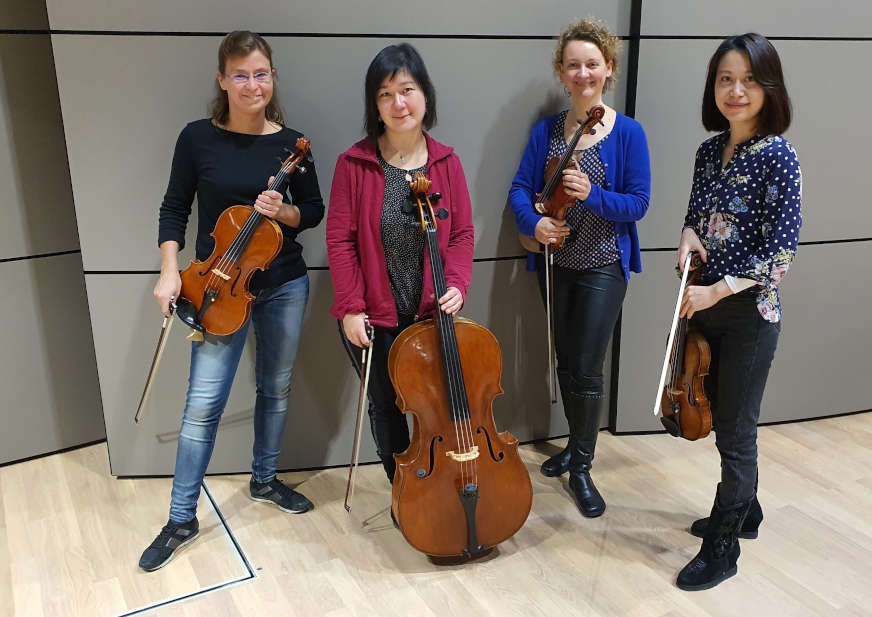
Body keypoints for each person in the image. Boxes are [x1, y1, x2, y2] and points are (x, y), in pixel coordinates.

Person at [140, 31, 325, 572]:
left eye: (261, 73)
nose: (252, 84)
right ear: (222, 80)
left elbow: (311, 212)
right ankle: (180, 517)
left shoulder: (293, 144)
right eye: (240, 74)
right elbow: (173, 208)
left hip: (284, 283)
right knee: (202, 407)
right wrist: (169, 273)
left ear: (273, 78)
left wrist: (284, 212)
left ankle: (264, 481)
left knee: (276, 387)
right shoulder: (197, 138)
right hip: (217, 288)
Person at [673, 33, 802, 590]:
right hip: (703, 303)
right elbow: (696, 215)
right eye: (726, 78)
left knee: (735, 430)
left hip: (749, 312)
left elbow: (780, 252)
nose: (736, 89)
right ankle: (745, 510)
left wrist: (716, 292)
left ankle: (722, 546)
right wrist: (686, 238)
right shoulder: (709, 150)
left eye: (749, 79)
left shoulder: (779, 154)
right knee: (719, 417)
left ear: (768, 87)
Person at [508, 18, 650, 518]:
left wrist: (594, 195)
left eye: (593, 63)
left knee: (587, 368)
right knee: (567, 362)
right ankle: (573, 443)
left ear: (608, 69)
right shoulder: (547, 131)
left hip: (602, 265)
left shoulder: (627, 133)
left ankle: (583, 465)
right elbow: (521, 192)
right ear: (562, 73)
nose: (583, 73)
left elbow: (638, 204)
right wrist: (536, 225)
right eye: (574, 65)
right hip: (557, 264)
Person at [327, 43, 474, 491]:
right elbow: (339, 240)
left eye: (407, 90)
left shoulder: (446, 162)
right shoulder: (354, 164)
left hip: (433, 313)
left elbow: (464, 234)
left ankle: (444, 482)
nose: (399, 104)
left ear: (425, 96)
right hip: (374, 314)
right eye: (386, 94)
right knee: (386, 406)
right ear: (375, 105)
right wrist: (351, 307)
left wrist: (459, 284)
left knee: (439, 405)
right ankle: (404, 489)